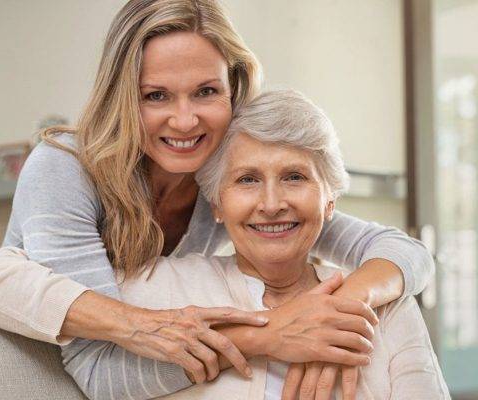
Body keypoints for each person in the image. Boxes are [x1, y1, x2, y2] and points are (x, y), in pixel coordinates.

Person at [0, 0, 434, 398]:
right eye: (156, 95)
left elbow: (405, 252)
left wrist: (333, 315)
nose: (184, 120)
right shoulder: (64, 168)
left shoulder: (220, 178)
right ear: (122, 98)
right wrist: (272, 331)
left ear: (233, 90)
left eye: (206, 91)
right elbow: (99, 370)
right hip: (34, 375)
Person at [109, 89, 450, 399]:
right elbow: (104, 382)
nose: (271, 204)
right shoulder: (156, 289)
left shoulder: (387, 306)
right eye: (247, 179)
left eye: (294, 177)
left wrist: (340, 313)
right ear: (216, 204)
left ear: (330, 200)